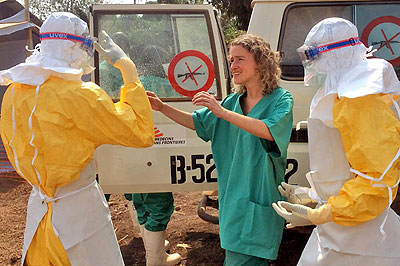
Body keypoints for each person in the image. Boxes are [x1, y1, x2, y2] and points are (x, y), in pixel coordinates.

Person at [0, 12, 154, 266]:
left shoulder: (15, 92)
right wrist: (127, 68)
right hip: (79, 218)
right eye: (86, 46)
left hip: (39, 215)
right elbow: (140, 131)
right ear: (74, 47)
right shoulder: (80, 95)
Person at [147, 33, 293, 265]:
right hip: (234, 199)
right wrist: (163, 108)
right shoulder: (231, 102)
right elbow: (198, 122)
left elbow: (268, 130)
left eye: (239, 59)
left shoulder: (280, 100)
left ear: (260, 62)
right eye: (231, 60)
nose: (233, 66)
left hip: (260, 197)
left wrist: (222, 113)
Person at [272, 18, 400, 265]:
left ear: (332, 55)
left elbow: (378, 180)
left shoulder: (361, 99)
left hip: (362, 237)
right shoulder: (343, 93)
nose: (309, 66)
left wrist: (323, 213)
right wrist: (311, 194)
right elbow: (342, 167)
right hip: (342, 228)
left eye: (312, 56)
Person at [99, 33, 181, 265]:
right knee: (158, 200)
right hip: (159, 149)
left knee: (139, 196)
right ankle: (155, 259)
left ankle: (151, 244)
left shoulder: (130, 83)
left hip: (128, 148)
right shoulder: (166, 85)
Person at [99, 31, 130, 99]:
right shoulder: (103, 70)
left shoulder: (127, 66)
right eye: (119, 48)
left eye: (125, 48)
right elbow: (107, 97)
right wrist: (130, 86)